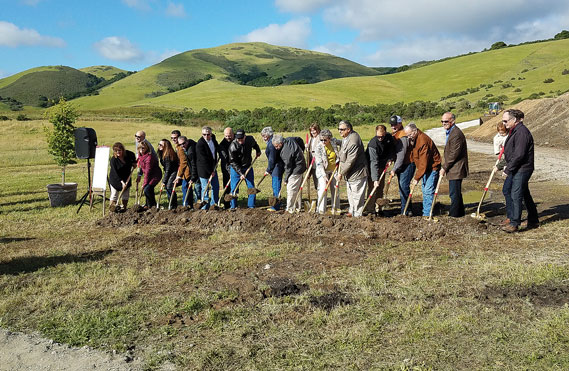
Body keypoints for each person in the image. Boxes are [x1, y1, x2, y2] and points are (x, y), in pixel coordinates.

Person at [501, 109, 539, 232]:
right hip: (518, 167)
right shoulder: (515, 131)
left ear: (514, 120)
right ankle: (533, 220)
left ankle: (514, 223)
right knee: (524, 194)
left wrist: (508, 169)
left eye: (506, 121)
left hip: (522, 168)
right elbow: (512, 152)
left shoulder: (521, 132)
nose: (504, 123)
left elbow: (519, 155)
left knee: (516, 194)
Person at [405, 122, 441, 217]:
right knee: (425, 191)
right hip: (425, 169)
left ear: (415, 131)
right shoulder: (414, 139)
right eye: (407, 136)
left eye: (409, 135)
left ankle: (427, 214)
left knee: (428, 191)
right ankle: (426, 211)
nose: (408, 137)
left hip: (432, 168)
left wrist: (416, 178)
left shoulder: (423, 141)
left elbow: (423, 163)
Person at [439, 112, 468, 217]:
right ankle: (460, 213)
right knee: (456, 192)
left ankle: (454, 214)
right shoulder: (451, 132)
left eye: (446, 121)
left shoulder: (456, 134)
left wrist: (444, 168)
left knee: (454, 193)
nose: (443, 123)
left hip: (456, 168)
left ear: (453, 121)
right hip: (454, 168)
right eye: (442, 121)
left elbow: (453, 154)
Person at [337, 120, 368, 217]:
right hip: (350, 174)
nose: (339, 131)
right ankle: (352, 212)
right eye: (339, 129)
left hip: (357, 172)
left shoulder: (353, 141)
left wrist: (341, 173)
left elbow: (350, 161)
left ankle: (357, 216)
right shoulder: (347, 137)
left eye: (342, 129)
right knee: (351, 195)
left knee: (357, 196)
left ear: (348, 129)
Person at [272, 135, 307, 213]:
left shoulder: (285, 152)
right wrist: (302, 149)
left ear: (280, 143)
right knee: (297, 188)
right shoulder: (289, 139)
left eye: (277, 146)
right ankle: (297, 207)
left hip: (296, 169)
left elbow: (288, 167)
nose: (276, 148)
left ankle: (290, 209)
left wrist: (286, 178)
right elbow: (299, 139)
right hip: (301, 165)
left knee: (291, 188)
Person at [365, 124, 395, 215]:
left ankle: (379, 208)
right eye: (378, 136)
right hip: (371, 166)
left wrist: (390, 158)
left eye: (382, 136)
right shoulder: (373, 145)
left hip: (382, 165)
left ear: (385, 133)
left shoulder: (389, 137)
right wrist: (375, 179)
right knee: (373, 187)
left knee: (380, 187)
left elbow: (392, 149)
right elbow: (374, 163)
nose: (380, 138)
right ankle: (370, 209)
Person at [229, 129, 261, 210]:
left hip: (247, 166)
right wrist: (240, 173)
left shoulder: (250, 140)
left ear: (245, 137)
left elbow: (255, 145)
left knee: (251, 187)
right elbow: (233, 162)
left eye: (241, 139)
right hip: (236, 169)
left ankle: (251, 206)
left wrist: (258, 150)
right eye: (238, 139)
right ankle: (233, 206)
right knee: (234, 187)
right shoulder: (233, 146)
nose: (240, 141)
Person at [389, 115, 415, 215]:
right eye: (391, 124)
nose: (393, 126)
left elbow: (401, 155)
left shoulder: (403, 136)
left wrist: (394, 169)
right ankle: (406, 208)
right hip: (402, 164)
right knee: (402, 187)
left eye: (395, 124)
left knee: (404, 186)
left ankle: (406, 211)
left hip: (407, 163)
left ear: (400, 123)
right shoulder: (396, 133)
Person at [313, 129, 341, 214]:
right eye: (321, 140)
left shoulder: (334, 142)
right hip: (323, 171)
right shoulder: (318, 147)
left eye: (325, 140)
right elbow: (319, 163)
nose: (323, 141)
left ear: (329, 138)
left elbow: (344, 142)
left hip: (334, 169)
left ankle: (335, 208)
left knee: (335, 188)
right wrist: (324, 176)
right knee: (323, 188)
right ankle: (321, 209)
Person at [196, 126, 220, 209]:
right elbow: (203, 160)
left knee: (215, 186)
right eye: (204, 134)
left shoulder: (213, 138)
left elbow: (217, 147)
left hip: (212, 167)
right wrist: (210, 171)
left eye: (208, 134)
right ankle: (204, 207)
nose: (206, 136)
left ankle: (214, 205)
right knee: (205, 188)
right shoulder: (200, 144)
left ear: (211, 133)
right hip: (204, 169)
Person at [108, 142, 136, 211]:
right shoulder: (113, 160)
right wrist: (122, 182)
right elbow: (115, 173)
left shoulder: (128, 154)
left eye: (119, 150)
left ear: (123, 150)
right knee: (114, 194)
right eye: (116, 151)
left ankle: (124, 208)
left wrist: (134, 163)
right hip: (116, 180)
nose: (118, 152)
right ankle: (112, 208)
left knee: (125, 195)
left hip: (127, 177)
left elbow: (133, 155)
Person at [261, 127, 284, 211]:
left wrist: (268, 170)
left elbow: (272, 159)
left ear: (269, 135)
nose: (263, 138)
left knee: (276, 186)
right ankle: (278, 203)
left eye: (265, 136)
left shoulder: (271, 144)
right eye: (262, 136)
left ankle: (275, 206)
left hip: (276, 167)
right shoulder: (272, 141)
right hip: (277, 166)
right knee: (276, 185)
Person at [136, 141, 162, 209]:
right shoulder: (140, 156)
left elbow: (148, 171)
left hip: (155, 175)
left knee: (147, 189)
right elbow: (141, 167)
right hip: (149, 175)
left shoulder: (149, 157)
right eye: (139, 148)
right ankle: (149, 204)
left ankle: (151, 205)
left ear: (147, 148)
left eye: (143, 148)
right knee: (149, 189)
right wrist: (139, 175)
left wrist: (144, 183)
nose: (141, 150)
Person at [174, 135, 198, 207]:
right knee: (185, 187)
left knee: (186, 187)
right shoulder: (180, 147)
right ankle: (188, 204)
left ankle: (188, 204)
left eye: (183, 143)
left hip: (190, 171)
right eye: (180, 144)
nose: (182, 145)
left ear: (186, 141)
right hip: (187, 171)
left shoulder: (189, 150)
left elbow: (185, 163)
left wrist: (179, 175)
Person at [157, 139, 179, 209]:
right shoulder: (162, 153)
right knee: (167, 187)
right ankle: (171, 203)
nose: (159, 146)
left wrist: (164, 181)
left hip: (173, 172)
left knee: (169, 186)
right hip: (169, 171)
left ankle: (173, 205)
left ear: (165, 146)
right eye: (159, 144)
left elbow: (168, 170)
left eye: (161, 145)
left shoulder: (168, 156)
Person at [218, 127, 234, 209]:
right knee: (227, 186)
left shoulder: (236, 140)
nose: (228, 137)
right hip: (226, 167)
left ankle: (234, 203)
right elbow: (226, 159)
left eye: (229, 135)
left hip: (237, 165)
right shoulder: (222, 145)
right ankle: (227, 204)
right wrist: (230, 171)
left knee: (235, 186)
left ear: (233, 134)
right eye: (226, 136)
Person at [307, 123, 321, 193]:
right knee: (315, 180)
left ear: (318, 130)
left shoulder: (320, 138)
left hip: (318, 162)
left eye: (314, 130)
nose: (313, 132)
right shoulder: (311, 139)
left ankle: (321, 198)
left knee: (320, 182)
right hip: (312, 162)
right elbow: (309, 150)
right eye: (311, 131)